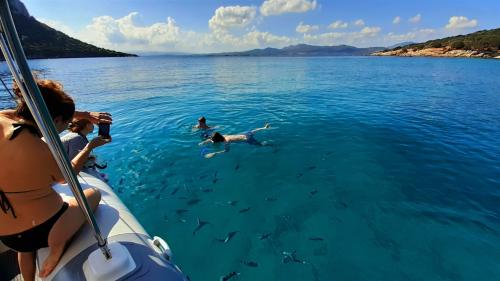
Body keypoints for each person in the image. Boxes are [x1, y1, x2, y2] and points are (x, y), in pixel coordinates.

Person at [0, 79, 111, 280]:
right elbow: (66, 177)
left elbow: (38, 109)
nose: (67, 127)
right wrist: (89, 148)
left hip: (8, 236)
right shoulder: (41, 150)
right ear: (57, 119)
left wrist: (83, 115)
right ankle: (57, 249)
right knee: (93, 194)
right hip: (46, 231)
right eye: (67, 123)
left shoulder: (3, 118)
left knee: (24, 250)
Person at [199, 123, 271, 158]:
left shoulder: (226, 141)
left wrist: (215, 153)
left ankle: (270, 144)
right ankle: (264, 128)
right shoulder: (223, 136)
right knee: (253, 131)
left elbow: (226, 151)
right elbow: (212, 138)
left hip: (247, 139)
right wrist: (204, 142)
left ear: (218, 140)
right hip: (245, 134)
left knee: (261, 145)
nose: (212, 140)